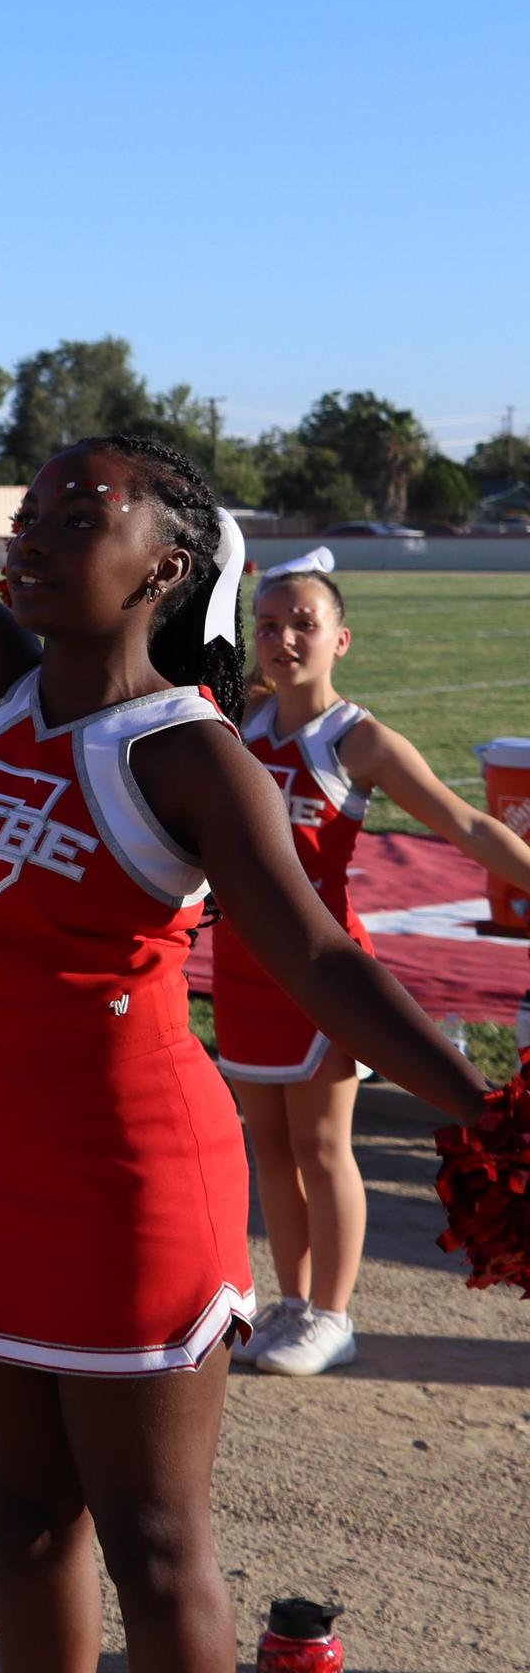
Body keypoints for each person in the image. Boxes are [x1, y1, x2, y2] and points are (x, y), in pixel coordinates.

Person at [0, 253, 488, 1672]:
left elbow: (324, 962)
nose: (27, 534)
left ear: (162, 568)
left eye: (71, 515)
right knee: (25, 1526)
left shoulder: (190, 754)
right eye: (25, 511)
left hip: (130, 1183)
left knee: (156, 1554)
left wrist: (483, 1115)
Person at [216, 551, 530, 1378]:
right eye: (269, 624)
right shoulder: (236, 721)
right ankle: (290, 1300)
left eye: (303, 626)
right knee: (270, 1147)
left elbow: (468, 828)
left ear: (341, 640)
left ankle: (333, 1313)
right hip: (243, 963)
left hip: (325, 971)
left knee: (323, 1147)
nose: (283, 639)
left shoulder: (358, 740)